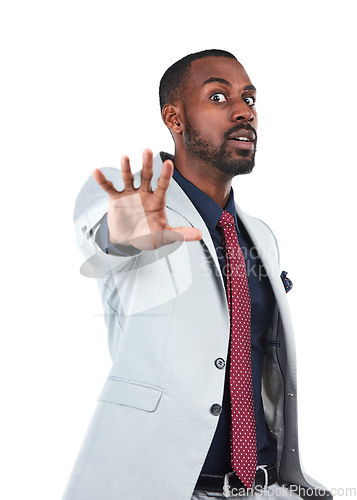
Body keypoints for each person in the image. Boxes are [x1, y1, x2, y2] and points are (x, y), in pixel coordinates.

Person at [63, 49, 332, 500]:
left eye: (248, 97)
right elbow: (102, 238)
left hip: (264, 485)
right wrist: (128, 227)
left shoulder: (261, 235)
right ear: (175, 117)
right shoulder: (137, 201)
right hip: (164, 485)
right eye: (218, 97)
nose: (244, 110)